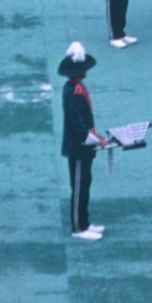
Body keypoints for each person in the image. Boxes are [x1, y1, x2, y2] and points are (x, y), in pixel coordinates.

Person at [59, 42, 105, 239]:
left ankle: (84, 222)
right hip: (78, 147)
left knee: (84, 184)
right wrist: (95, 140)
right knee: (79, 188)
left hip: (84, 146)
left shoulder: (76, 88)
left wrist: (96, 137)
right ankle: (79, 227)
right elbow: (78, 126)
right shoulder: (73, 93)